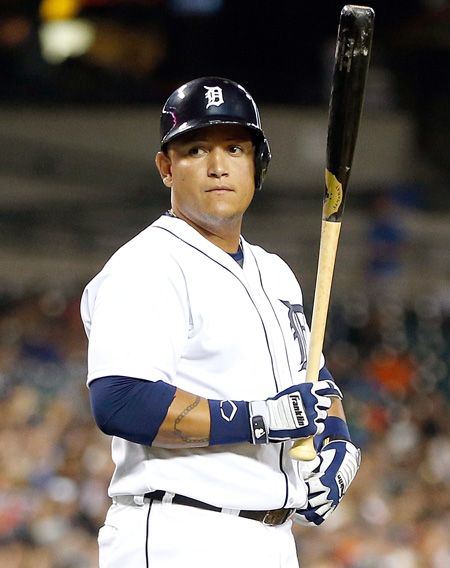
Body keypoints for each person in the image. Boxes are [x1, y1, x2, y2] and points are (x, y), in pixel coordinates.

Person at [80, 77, 361, 568]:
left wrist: (338, 445)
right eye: (194, 149)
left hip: (273, 538)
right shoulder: (147, 265)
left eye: (235, 147)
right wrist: (261, 418)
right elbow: (121, 400)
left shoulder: (273, 271)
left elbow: (312, 373)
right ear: (166, 167)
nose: (217, 166)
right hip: (181, 533)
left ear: (258, 166)